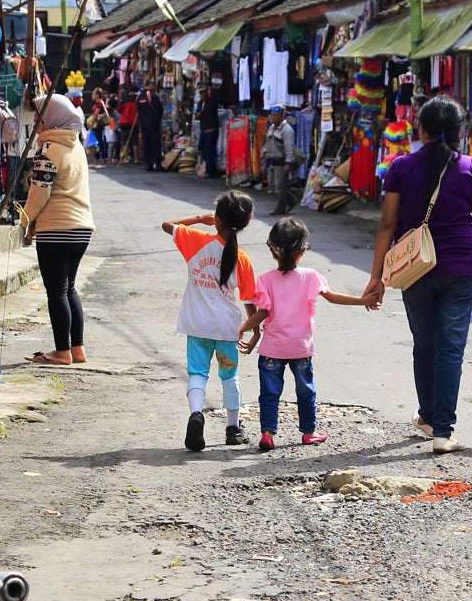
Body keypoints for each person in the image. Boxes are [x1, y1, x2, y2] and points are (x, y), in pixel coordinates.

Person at [362, 97, 472, 454]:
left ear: (421, 130)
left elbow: (387, 224)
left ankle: (429, 415)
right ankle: (443, 432)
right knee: (450, 348)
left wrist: (378, 277)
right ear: (461, 131)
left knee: (425, 344)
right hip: (462, 266)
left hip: (415, 266)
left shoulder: (400, 167)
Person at [239, 217, 379, 451]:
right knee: (306, 392)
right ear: (301, 253)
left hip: (272, 350)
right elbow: (333, 297)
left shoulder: (265, 280)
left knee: (269, 394)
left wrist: (243, 329)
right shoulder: (310, 275)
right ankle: (308, 433)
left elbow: (262, 313)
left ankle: (267, 434)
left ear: (273, 251)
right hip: (300, 349)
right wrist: (363, 300)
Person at [162, 191, 259, 451]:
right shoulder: (242, 259)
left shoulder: (195, 240)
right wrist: (255, 330)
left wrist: (199, 218)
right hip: (227, 330)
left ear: (216, 219)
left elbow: (167, 224)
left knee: (197, 373)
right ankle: (233, 428)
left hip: (197, 326)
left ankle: (196, 414)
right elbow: (250, 300)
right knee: (230, 375)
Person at [21, 93, 94, 366]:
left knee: (57, 291)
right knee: (69, 289)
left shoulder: (49, 148)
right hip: (81, 228)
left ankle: (62, 351)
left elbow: (39, 193)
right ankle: (77, 349)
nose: (37, 124)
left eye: (40, 118)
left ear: (50, 118)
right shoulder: (76, 147)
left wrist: (26, 221)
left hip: (57, 228)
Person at [261, 105, 298, 214]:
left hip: (282, 163)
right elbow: (266, 143)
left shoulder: (287, 130)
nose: (273, 118)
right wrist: (265, 152)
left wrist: (288, 163)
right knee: (272, 185)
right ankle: (291, 199)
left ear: (282, 116)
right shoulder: (271, 128)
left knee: (279, 188)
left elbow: (290, 148)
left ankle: (280, 209)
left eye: (275, 115)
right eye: (271, 115)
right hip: (272, 161)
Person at [136, 80, 165, 171]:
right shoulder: (152, 95)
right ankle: (158, 164)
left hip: (144, 124)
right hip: (153, 123)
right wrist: (157, 118)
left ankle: (148, 164)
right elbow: (159, 108)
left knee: (146, 144)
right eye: (154, 85)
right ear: (150, 85)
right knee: (155, 143)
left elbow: (138, 109)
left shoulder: (139, 97)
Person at [197, 80, 222, 178]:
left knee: (210, 150)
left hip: (211, 129)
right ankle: (210, 169)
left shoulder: (211, 101)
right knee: (204, 150)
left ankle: (210, 171)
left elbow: (214, 105)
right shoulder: (200, 103)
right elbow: (198, 114)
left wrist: (210, 94)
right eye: (200, 93)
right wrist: (198, 115)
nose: (202, 94)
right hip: (204, 129)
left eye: (204, 92)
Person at [117, 88, 138, 164]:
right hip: (134, 122)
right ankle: (136, 159)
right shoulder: (135, 101)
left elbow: (119, 110)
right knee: (135, 141)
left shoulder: (123, 102)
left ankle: (126, 158)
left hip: (125, 123)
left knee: (125, 141)